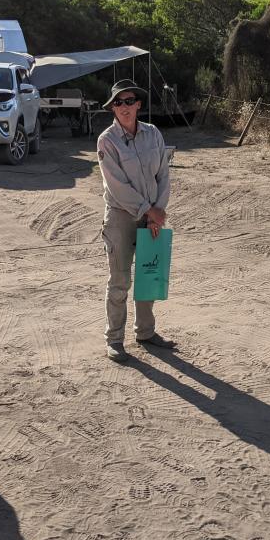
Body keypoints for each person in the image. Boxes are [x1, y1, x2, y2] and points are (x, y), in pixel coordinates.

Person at [97, 79, 175, 363]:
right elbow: (117, 185)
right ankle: (115, 340)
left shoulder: (153, 134)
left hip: (152, 214)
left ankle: (146, 332)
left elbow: (164, 175)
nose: (124, 107)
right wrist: (148, 210)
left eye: (129, 101)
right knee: (119, 280)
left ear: (138, 104)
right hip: (121, 217)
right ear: (112, 109)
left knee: (148, 276)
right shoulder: (106, 140)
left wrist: (159, 209)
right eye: (118, 103)